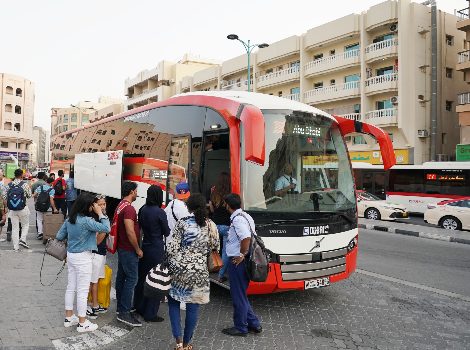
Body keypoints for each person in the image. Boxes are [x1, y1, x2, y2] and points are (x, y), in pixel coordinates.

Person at [167, 193, 219, 350]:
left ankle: (178, 342)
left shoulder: (182, 223)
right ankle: (187, 343)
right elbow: (215, 247)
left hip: (179, 270)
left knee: (174, 302)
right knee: (193, 307)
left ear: (188, 207)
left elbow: (171, 249)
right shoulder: (211, 225)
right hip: (199, 272)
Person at [56, 192, 110, 333]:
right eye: (93, 204)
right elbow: (106, 228)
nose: (95, 206)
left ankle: (69, 317)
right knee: (82, 290)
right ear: (87, 205)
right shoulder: (86, 221)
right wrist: (100, 213)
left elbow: (59, 236)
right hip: (83, 257)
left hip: (71, 256)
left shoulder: (70, 219)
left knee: (71, 286)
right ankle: (82, 322)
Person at [221, 193, 262, 337]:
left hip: (238, 262)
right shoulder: (246, 216)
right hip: (246, 260)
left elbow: (246, 237)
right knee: (241, 294)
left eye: (225, 203)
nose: (224, 205)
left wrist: (241, 255)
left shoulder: (237, 220)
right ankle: (254, 324)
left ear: (228, 205)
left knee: (238, 296)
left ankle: (240, 327)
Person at [133, 185, 170, 322]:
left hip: (145, 246)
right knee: (156, 279)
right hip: (156, 247)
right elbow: (167, 232)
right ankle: (150, 313)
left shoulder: (142, 209)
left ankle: (139, 306)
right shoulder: (160, 212)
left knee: (143, 278)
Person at [115, 181, 143, 327]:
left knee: (122, 277)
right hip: (128, 249)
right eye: (136, 191)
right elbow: (130, 231)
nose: (137, 193)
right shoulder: (130, 209)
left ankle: (121, 308)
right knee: (132, 279)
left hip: (122, 247)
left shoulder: (121, 205)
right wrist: (137, 249)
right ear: (132, 191)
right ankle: (124, 312)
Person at [164, 181, 191, 310]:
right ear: (187, 194)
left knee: (170, 270)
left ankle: (165, 293)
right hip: (179, 245)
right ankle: (181, 301)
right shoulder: (184, 208)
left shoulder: (170, 204)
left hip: (169, 242)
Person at [87, 194, 109, 319]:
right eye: (99, 204)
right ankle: (93, 305)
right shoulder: (95, 219)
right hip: (95, 254)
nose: (102, 206)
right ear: (94, 206)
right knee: (93, 281)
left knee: (97, 279)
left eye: (104, 204)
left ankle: (94, 303)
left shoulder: (103, 217)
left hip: (101, 253)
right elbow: (97, 241)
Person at [208, 172, 231, 282]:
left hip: (215, 225)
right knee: (225, 252)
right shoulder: (231, 193)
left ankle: (210, 269)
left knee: (213, 249)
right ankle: (221, 275)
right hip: (227, 227)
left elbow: (212, 210)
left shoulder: (214, 192)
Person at [3, 169, 32, 251]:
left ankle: (16, 247)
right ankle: (22, 239)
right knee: (25, 225)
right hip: (23, 208)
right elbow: (29, 196)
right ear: (21, 175)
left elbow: (4, 197)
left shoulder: (9, 185)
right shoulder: (25, 185)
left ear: (14, 175)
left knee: (15, 228)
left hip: (12, 210)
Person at [33, 176, 59, 240]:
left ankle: (40, 233)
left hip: (39, 206)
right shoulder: (52, 190)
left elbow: (34, 195)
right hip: (47, 207)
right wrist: (55, 208)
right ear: (51, 183)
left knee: (39, 219)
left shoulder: (40, 187)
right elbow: (51, 200)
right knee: (47, 220)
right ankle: (47, 233)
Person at [0, 170, 8, 242]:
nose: (2, 176)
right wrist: (5, 208)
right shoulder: (2, 186)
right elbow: (3, 198)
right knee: (1, 222)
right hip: (1, 207)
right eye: (2, 175)